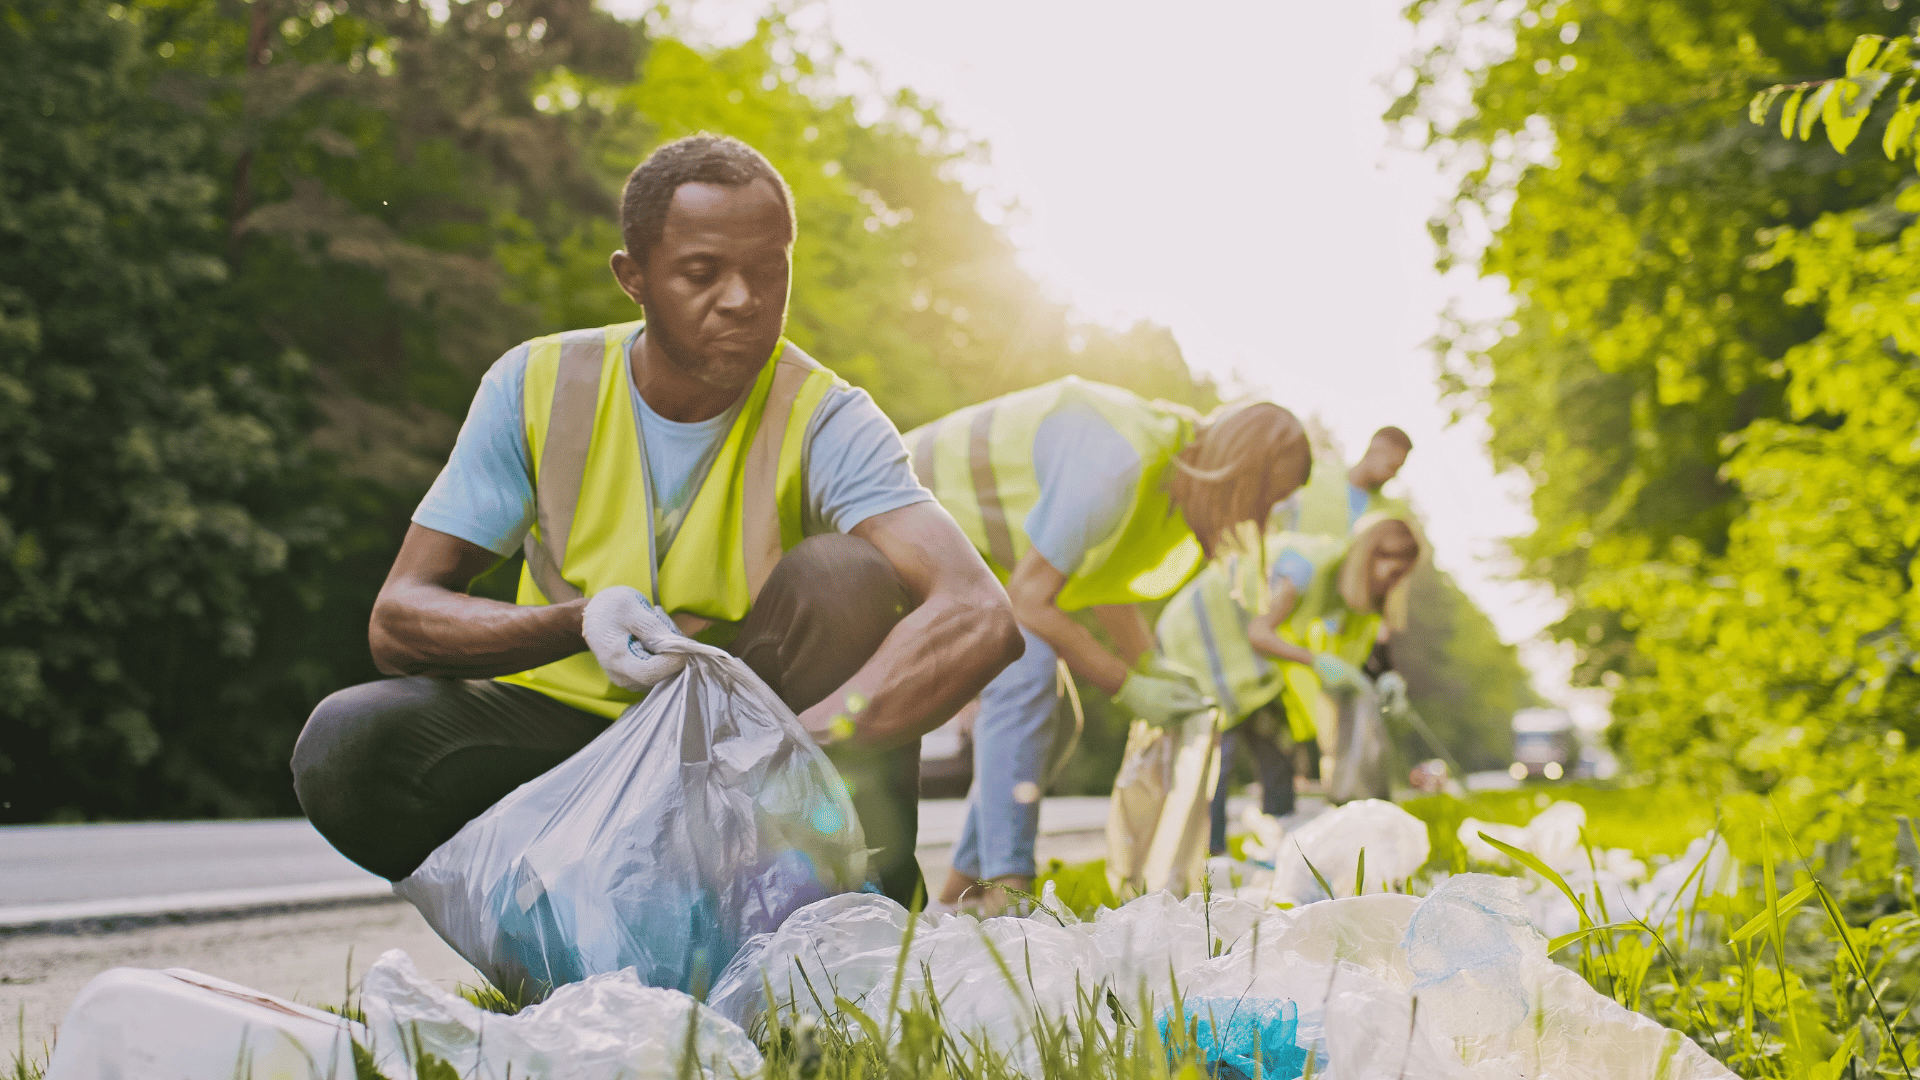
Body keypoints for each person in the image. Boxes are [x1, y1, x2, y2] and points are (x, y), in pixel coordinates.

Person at [290, 135, 1023, 908]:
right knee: (347, 747)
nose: (743, 299)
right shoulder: (537, 385)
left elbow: (978, 613)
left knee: (848, 577)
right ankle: (553, 931)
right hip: (570, 737)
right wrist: (578, 622)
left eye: (769, 270)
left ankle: (839, 920)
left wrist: (802, 749)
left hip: (743, 743)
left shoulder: (827, 415)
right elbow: (400, 621)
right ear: (632, 277)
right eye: (703, 274)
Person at [904, 380, 1314, 911]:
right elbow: (1029, 600)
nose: (1255, 518)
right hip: (896, 515)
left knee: (1059, 720)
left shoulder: (1165, 470)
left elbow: (1103, 582)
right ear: (1237, 471)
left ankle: (963, 887)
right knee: (1028, 670)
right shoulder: (1116, 462)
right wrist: (1127, 686)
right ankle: (1008, 890)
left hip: (963, 550)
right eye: (1262, 498)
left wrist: (1150, 664)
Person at [1159, 511, 1425, 853]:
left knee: (1278, 751)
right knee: (1214, 754)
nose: (1394, 584)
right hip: (1197, 639)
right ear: (1370, 556)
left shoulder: (1347, 593)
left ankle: (1279, 848)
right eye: (1393, 572)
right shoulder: (1306, 567)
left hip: (1245, 664)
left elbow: (1358, 650)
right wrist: (1315, 661)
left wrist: (1384, 676)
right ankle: (1209, 860)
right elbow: (1259, 633)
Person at [1283, 426, 1412, 538]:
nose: (1393, 475)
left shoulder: (1390, 511)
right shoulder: (1314, 477)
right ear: (1375, 449)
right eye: (1392, 467)